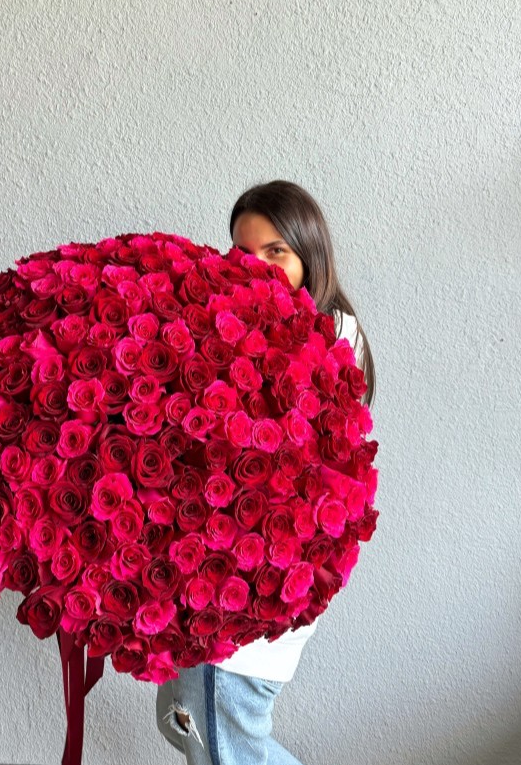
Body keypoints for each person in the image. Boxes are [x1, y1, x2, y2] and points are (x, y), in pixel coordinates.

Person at [156, 179, 376, 765]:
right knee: (183, 722)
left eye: (275, 251)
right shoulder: (246, 325)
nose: (257, 268)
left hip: (253, 571)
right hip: (222, 564)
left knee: (227, 745)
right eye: (243, 253)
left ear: (309, 251)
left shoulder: (328, 336)